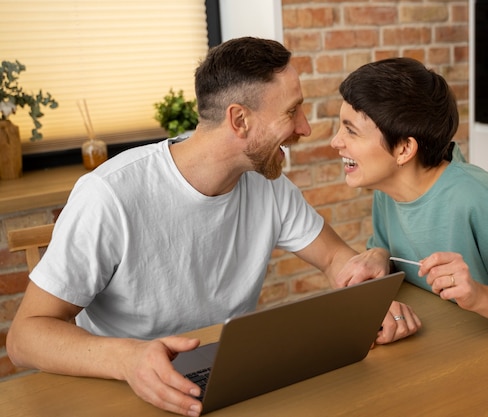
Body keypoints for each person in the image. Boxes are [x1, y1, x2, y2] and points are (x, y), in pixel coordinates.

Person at [6, 38, 419, 417]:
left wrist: (367, 295)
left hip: (225, 382)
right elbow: (24, 339)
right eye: (292, 111)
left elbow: (334, 257)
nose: (306, 129)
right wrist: (127, 359)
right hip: (122, 392)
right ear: (239, 120)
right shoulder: (109, 195)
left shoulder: (266, 185)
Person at [330, 57, 488, 349]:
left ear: (404, 149)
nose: (335, 142)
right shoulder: (387, 190)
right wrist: (380, 253)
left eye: (350, 130)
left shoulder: (483, 204)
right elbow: (401, 258)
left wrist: (478, 296)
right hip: (456, 354)